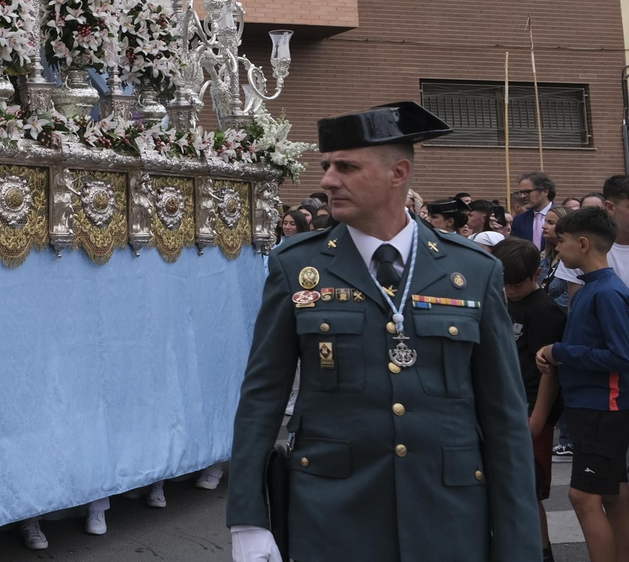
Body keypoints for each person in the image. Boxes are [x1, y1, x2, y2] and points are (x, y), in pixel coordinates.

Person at [226, 101, 539, 562]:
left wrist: (518, 542)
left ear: (399, 173)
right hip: (334, 517)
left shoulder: (472, 270)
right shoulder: (298, 265)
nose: (329, 180)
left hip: (447, 518)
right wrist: (247, 518)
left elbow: (505, 417)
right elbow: (262, 396)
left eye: (347, 167)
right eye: (327, 166)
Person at [537, 207, 629, 562]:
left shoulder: (606, 292)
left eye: (562, 241)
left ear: (584, 243)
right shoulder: (595, 288)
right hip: (592, 405)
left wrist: (562, 352)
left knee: (583, 497)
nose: (558, 249)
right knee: (612, 493)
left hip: (602, 406)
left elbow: (622, 356)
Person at [491, 238, 567, 562]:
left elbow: (549, 372)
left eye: (517, 285)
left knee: (529, 489)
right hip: (503, 404)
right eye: (505, 283)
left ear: (537, 273)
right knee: (504, 487)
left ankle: (542, 551)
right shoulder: (501, 300)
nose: (510, 290)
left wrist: (536, 421)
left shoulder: (546, 311)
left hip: (532, 409)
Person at [513, 172, 556, 248]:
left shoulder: (563, 216)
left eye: (527, 192)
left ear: (545, 192)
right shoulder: (519, 220)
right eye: (521, 192)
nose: (523, 196)